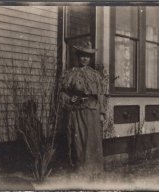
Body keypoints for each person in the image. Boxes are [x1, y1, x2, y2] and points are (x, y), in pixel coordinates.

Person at [60, 41, 106, 175]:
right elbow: (62, 92)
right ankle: (81, 169)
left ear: (90, 58)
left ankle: (94, 170)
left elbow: (101, 95)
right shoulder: (70, 74)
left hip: (92, 110)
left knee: (92, 140)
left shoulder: (96, 75)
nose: (84, 59)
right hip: (77, 110)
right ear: (78, 57)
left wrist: (102, 112)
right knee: (78, 140)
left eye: (87, 56)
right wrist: (69, 99)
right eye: (82, 56)